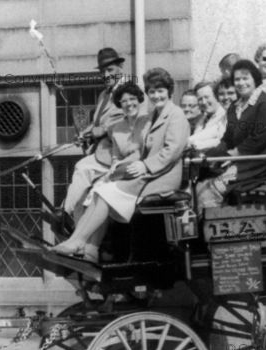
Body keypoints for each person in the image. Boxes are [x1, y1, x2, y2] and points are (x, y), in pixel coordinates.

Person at [51, 69, 189, 261]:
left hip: (163, 178)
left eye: (160, 91)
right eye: (152, 91)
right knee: (102, 191)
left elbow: (172, 151)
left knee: (108, 193)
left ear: (169, 91)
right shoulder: (155, 115)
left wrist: (145, 166)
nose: (156, 95)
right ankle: (82, 243)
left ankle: (81, 242)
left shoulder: (176, 115)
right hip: (151, 175)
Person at [196, 60, 266, 208]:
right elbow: (228, 139)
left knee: (211, 190)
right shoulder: (234, 107)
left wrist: (233, 154)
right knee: (200, 182)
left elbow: (259, 140)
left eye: (245, 78)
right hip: (241, 160)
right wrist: (209, 155)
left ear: (255, 79)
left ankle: (215, 226)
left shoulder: (265, 104)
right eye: (237, 79)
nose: (241, 83)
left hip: (259, 162)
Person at [61, 47, 127, 219]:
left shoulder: (129, 91)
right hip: (100, 152)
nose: (106, 75)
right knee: (83, 197)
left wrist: (103, 130)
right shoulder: (104, 95)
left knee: (82, 169)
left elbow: (129, 121)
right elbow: (97, 122)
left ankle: (63, 214)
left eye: (110, 70)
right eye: (103, 71)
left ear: (120, 68)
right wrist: (85, 133)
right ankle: (76, 231)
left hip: (118, 154)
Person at [188, 81, 227, 151]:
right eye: (200, 99)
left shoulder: (224, 117)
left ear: (216, 96)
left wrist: (193, 144)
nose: (204, 102)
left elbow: (220, 141)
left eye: (207, 97)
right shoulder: (201, 119)